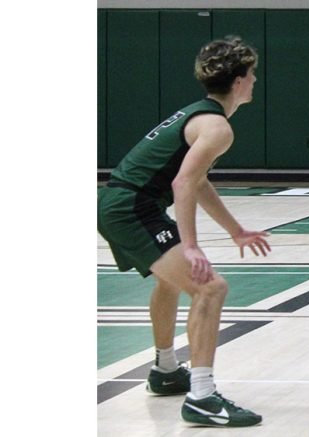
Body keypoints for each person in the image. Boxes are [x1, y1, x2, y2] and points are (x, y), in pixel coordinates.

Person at [97, 36, 270, 427]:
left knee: (170, 282)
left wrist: (236, 230)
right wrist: (190, 246)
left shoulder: (200, 115)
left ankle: (166, 371)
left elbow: (197, 180)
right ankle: (202, 397)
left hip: (122, 203)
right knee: (211, 288)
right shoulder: (217, 127)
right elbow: (183, 183)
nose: (255, 80)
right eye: (252, 74)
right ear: (239, 81)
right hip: (131, 208)